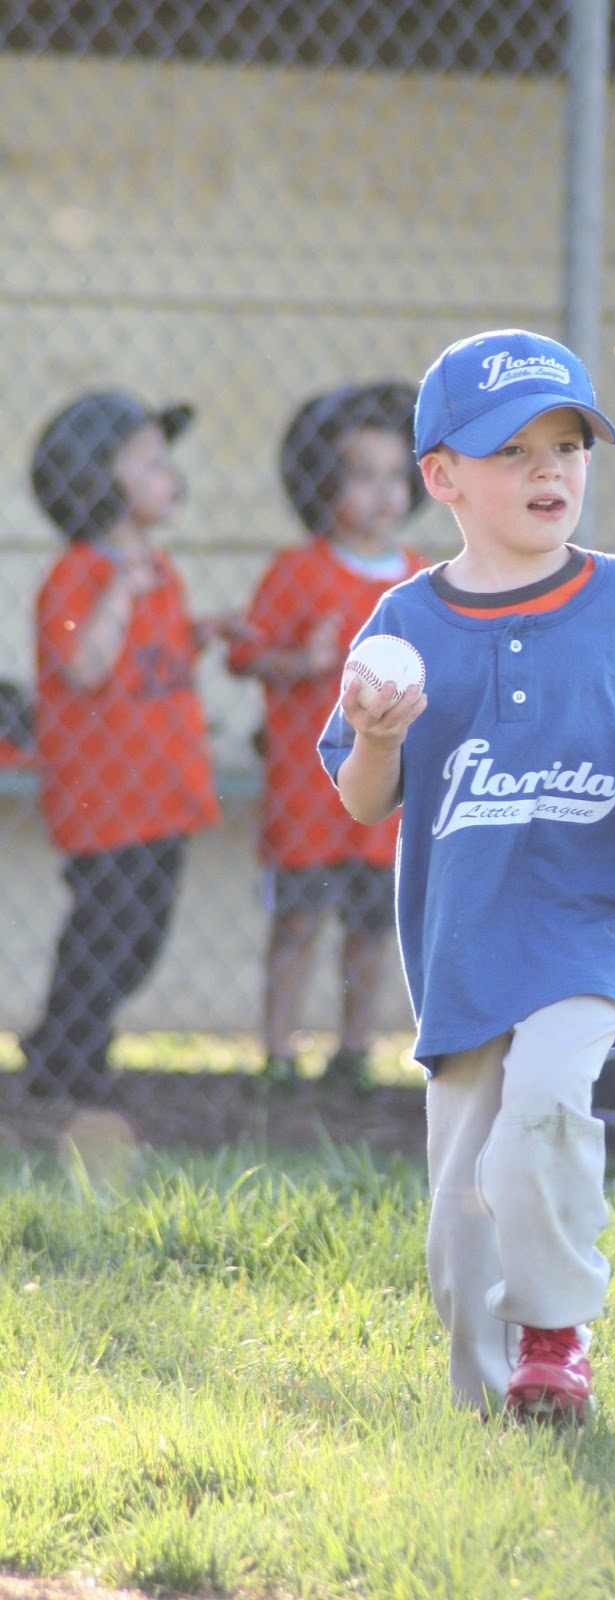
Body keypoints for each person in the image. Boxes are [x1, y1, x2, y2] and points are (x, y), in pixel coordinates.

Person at [317, 329, 615, 1422]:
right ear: (440, 477)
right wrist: (379, 733)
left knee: (543, 1104)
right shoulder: (404, 625)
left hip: (597, 923)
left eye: (569, 444)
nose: (550, 470)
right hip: (466, 940)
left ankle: (551, 1329)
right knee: (460, 1217)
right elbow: (358, 797)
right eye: (512, 450)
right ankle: (499, 1419)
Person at [21, 390, 238, 1101]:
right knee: (103, 933)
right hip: (107, 798)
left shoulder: (156, 569)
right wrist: (119, 589)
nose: (168, 474)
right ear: (95, 479)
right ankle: (66, 1059)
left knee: (139, 941)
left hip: (162, 792)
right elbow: (85, 666)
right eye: (148, 462)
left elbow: (150, 663)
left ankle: (66, 1044)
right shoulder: (79, 573)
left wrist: (203, 633)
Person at [227, 385, 424, 1089]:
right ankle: (278, 1050)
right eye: (362, 476)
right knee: (300, 922)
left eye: (395, 476)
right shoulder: (296, 570)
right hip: (307, 793)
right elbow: (245, 654)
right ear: (323, 485)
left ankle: (355, 1049)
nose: (383, 493)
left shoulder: (418, 580)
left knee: (370, 928)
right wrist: (300, 663)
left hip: (385, 796)